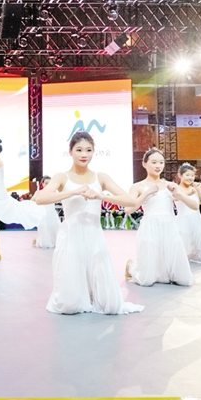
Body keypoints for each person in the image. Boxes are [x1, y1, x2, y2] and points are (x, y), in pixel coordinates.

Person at [34, 132, 144, 315]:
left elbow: (130, 201)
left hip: (94, 234)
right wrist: (73, 192)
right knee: (69, 306)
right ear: (70, 151)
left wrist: (100, 196)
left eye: (88, 150)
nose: (84, 154)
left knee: (110, 305)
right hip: (70, 235)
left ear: (93, 152)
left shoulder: (101, 177)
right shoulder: (62, 177)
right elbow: (41, 198)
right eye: (79, 150)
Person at [125, 148, 193, 287]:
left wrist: (178, 194)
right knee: (146, 280)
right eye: (154, 162)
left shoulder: (169, 185)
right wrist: (146, 193)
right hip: (150, 229)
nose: (158, 166)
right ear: (144, 164)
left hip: (169, 229)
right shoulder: (138, 186)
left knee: (184, 280)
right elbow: (128, 209)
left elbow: (192, 205)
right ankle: (131, 267)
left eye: (161, 162)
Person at [174, 164, 201, 264]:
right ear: (180, 175)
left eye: (192, 175)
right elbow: (177, 198)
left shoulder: (195, 189)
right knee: (181, 250)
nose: (190, 178)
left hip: (197, 220)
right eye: (187, 175)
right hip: (183, 221)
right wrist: (189, 192)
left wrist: (199, 190)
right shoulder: (176, 189)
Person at [31, 176, 60, 249]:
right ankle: (37, 240)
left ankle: (51, 241)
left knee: (55, 229)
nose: (48, 185)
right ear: (42, 183)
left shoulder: (54, 193)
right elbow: (32, 201)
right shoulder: (38, 192)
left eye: (50, 183)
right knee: (44, 232)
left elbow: (60, 200)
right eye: (46, 183)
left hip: (52, 214)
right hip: (43, 215)